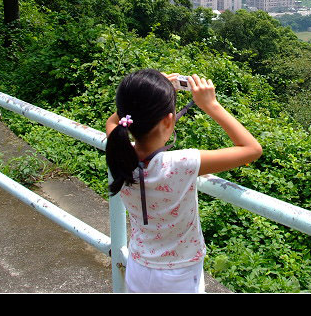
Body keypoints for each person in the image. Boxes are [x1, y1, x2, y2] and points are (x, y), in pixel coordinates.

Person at [105, 69, 262, 293]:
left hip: (138, 265)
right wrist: (211, 104)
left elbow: (114, 123)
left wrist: (143, 93)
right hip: (180, 273)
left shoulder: (118, 152)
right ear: (169, 121)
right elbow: (252, 149)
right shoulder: (181, 163)